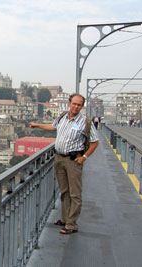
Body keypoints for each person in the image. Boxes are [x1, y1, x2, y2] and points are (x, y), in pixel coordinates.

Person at [30, 93, 99, 234]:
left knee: (75, 193)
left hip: (74, 160)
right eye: (74, 103)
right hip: (59, 158)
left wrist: (84, 157)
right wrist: (37, 125)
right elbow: (53, 127)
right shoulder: (62, 117)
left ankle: (72, 224)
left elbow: (95, 142)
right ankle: (65, 219)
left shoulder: (86, 122)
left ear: (82, 106)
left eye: (79, 105)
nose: (76, 106)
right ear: (69, 103)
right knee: (64, 191)